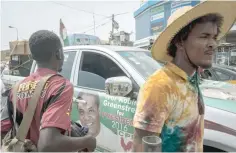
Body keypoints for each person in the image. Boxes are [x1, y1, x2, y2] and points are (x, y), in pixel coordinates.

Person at [132, 1, 236, 152]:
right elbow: (141, 146)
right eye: (204, 36)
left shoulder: (191, 80)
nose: (213, 44)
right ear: (180, 41)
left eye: (214, 37)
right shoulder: (160, 86)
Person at [1, 30, 96, 152]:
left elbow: (3, 129)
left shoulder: (16, 88)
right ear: (58, 54)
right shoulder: (60, 86)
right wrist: (87, 141)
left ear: (33, 57)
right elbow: (48, 144)